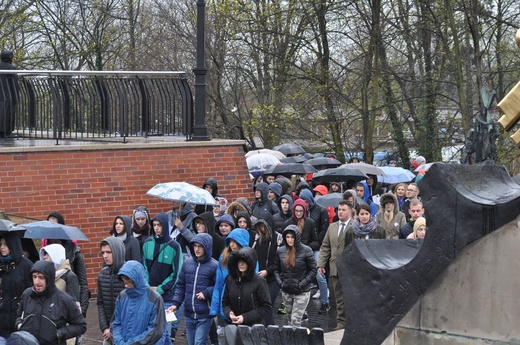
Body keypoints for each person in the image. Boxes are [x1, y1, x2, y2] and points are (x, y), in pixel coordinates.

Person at [15, 261, 86, 345]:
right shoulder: (27, 294)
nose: (37, 282)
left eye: (41, 277)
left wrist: (59, 333)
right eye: (34, 277)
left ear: (48, 278)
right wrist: (19, 324)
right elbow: (19, 315)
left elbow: (80, 326)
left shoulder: (64, 299)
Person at [167, 233, 217, 345]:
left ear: (207, 247)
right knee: (191, 342)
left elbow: (219, 287)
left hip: (205, 313)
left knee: (199, 342)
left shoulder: (214, 265)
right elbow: (180, 286)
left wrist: (206, 292)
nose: (197, 249)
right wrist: (175, 304)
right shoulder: (187, 263)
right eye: (195, 246)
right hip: (189, 313)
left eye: (200, 246)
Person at [142, 212, 183, 343]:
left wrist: (159, 289)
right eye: (154, 225)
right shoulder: (147, 244)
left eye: (159, 225)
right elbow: (144, 269)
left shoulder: (175, 246)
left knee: (166, 331)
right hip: (150, 296)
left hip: (168, 299)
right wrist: (149, 287)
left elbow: (176, 274)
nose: (156, 228)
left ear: (165, 225)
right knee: (150, 331)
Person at [112, 260, 169, 345]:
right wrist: (119, 342)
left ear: (137, 278)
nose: (126, 285)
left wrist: (131, 343)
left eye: (128, 281)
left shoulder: (154, 298)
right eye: (124, 282)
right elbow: (115, 323)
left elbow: (155, 330)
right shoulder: (122, 296)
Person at [317, 201, 354, 330]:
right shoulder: (332, 227)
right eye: (339, 210)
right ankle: (341, 322)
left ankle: (350, 321)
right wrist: (321, 263)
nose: (340, 212)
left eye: (344, 210)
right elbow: (325, 246)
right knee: (338, 297)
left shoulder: (354, 226)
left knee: (349, 296)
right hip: (335, 267)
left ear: (350, 212)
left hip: (350, 269)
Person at [273, 225, 317, 327]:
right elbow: (276, 269)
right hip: (287, 290)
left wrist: (301, 284)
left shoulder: (306, 251)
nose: (290, 240)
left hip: (302, 291)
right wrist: (281, 284)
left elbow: (313, 270)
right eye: (287, 237)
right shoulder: (281, 251)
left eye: (292, 237)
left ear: (296, 237)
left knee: (295, 320)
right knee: (289, 319)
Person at [293, 189, 329, 311]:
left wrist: (309, 246)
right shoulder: (295, 218)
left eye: (305, 201)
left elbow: (322, 232)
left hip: (314, 247)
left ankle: (325, 301)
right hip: (300, 249)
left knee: (319, 273)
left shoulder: (320, 212)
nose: (304, 204)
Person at [209, 228, 252, 321]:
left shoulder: (250, 258)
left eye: (234, 241)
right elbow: (219, 283)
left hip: (245, 302)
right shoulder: (224, 257)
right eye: (230, 241)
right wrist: (214, 308)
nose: (232, 244)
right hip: (227, 301)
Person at [222, 247, 272, 326]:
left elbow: (266, 307)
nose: (241, 264)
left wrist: (244, 317)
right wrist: (229, 313)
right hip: (233, 326)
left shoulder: (259, 281)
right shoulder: (230, 279)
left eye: (244, 261)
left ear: (250, 264)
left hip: (253, 328)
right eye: (239, 261)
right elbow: (225, 302)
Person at [0, 233, 33, 344]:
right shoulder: (1, 265)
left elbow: (31, 293)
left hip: (19, 318)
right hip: (2, 318)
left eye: (5, 244)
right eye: (0, 244)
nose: (2, 247)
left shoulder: (26, 265)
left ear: (12, 245)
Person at [251, 212, 282, 325]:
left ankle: (270, 332)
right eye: (260, 226)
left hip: (273, 279)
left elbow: (278, 263)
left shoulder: (277, 240)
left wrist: (267, 271)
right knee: (262, 306)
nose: (262, 229)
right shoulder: (257, 239)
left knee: (267, 305)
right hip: (259, 278)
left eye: (264, 226)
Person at [97, 237, 126, 345]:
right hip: (108, 331)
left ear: (117, 251)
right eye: (103, 252)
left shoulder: (129, 274)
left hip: (126, 331)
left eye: (109, 252)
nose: (105, 256)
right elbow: (100, 303)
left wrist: (113, 330)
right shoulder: (102, 274)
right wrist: (104, 327)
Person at [40, 244, 80, 308]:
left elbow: (74, 306)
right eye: (44, 254)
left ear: (55, 255)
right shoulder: (45, 276)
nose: (44, 257)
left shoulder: (70, 276)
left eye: (47, 254)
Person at [0, 50, 18, 138]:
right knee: (8, 114)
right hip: (8, 95)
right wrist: (16, 96)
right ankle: (6, 132)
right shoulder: (11, 68)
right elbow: (14, 83)